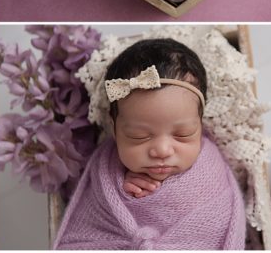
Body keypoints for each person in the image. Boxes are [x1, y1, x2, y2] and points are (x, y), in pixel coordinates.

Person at [54, 38, 244, 249]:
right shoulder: (105, 172)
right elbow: (86, 235)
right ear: (114, 127)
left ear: (200, 123)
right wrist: (123, 192)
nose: (162, 151)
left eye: (183, 134)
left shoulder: (212, 175)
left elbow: (217, 228)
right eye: (139, 136)